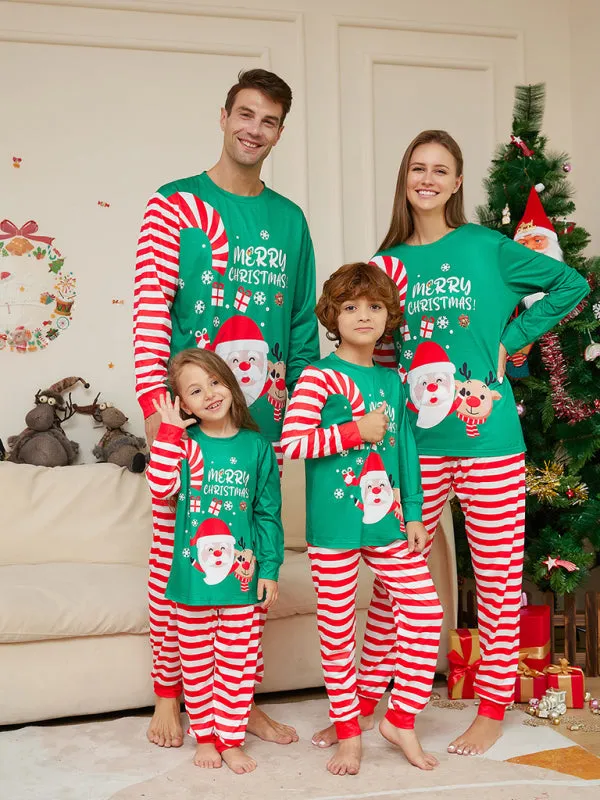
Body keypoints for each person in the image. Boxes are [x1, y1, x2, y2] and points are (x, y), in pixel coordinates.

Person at [311, 130, 590, 757]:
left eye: (441, 170)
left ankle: (491, 709)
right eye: (418, 168)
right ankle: (359, 712)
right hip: (413, 444)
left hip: (489, 440)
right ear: (405, 178)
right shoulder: (386, 266)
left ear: (458, 183)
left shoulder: (488, 248)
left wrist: (516, 335)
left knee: (495, 579)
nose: (428, 179)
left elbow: (570, 286)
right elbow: (375, 354)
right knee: (392, 582)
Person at [133, 68, 319, 748]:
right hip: (186, 420)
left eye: (269, 120)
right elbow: (152, 314)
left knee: (249, 565)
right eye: (245, 114)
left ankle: (238, 705)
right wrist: (158, 413)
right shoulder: (173, 205)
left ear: (279, 132)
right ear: (223, 115)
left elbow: (300, 328)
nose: (254, 129)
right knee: (174, 562)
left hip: (259, 425)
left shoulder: (289, 220)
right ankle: (168, 698)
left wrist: (299, 414)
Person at [281, 262, 444, 775]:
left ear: (389, 315)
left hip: (388, 522)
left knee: (424, 614)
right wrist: (354, 431)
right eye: (350, 307)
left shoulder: (393, 381)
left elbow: (407, 453)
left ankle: (400, 717)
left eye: (374, 306)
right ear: (333, 315)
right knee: (337, 632)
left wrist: (415, 514)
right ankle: (348, 733)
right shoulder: (318, 376)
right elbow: (292, 442)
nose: (363, 315)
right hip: (333, 528)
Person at [145, 348, 284, 774]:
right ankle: (205, 737)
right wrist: (168, 433)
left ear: (231, 384)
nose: (209, 394)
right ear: (183, 405)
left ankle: (230, 739)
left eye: (215, 382)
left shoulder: (257, 446)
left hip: (241, 581)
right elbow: (160, 487)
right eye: (195, 390)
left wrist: (271, 568)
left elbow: (267, 512)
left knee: (237, 666)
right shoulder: (184, 446)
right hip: (191, 582)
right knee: (198, 664)